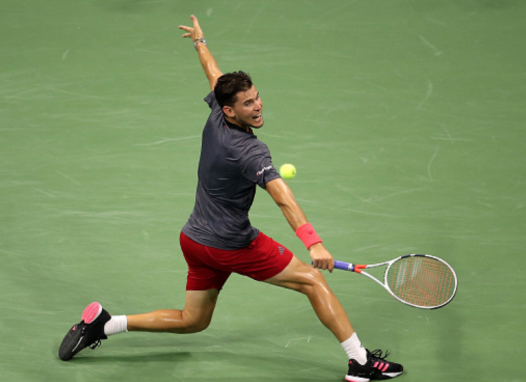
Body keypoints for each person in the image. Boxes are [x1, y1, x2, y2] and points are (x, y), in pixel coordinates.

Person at [58, 15, 403, 382]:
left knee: (193, 321)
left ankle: (105, 326)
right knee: (313, 282)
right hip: (230, 245)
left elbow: (213, 74)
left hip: (194, 240)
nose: (257, 106)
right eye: (248, 103)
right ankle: (359, 363)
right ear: (230, 110)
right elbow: (283, 197)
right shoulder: (250, 153)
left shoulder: (216, 115)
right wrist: (313, 243)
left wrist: (199, 42)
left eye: (257, 97)